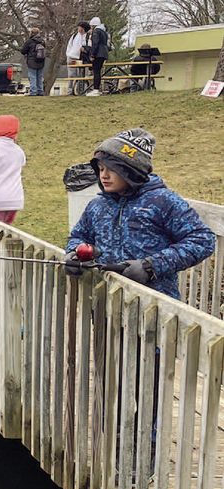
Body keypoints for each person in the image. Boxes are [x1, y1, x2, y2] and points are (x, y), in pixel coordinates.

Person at [65, 128, 215, 300]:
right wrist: (73, 253)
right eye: (100, 169)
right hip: (106, 303)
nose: (104, 176)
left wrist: (150, 266)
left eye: (112, 170)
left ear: (131, 170)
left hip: (154, 307)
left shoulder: (162, 201)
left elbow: (202, 239)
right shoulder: (97, 205)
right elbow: (78, 235)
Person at [85, 17, 110, 96]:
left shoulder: (96, 32)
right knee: (98, 71)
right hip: (104, 53)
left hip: (98, 53)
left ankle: (96, 89)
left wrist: (92, 54)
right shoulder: (104, 32)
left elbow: (95, 44)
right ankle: (97, 89)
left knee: (96, 72)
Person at [20, 28, 46, 96]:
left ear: (31, 33)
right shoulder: (42, 41)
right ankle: (40, 91)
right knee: (40, 77)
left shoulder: (29, 41)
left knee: (32, 77)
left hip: (32, 62)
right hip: (41, 61)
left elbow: (23, 51)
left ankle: (33, 92)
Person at [66, 21, 90, 95]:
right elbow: (69, 45)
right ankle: (70, 91)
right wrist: (68, 54)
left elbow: (89, 47)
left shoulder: (88, 37)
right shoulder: (74, 35)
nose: (78, 28)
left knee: (82, 74)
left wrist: (85, 50)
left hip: (82, 58)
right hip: (72, 57)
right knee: (71, 75)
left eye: (80, 27)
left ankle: (82, 90)